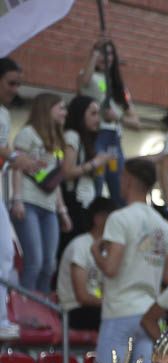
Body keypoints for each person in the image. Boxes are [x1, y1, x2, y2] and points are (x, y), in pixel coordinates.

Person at [93, 157, 168, 363]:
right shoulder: (163, 225)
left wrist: (95, 252)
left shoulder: (120, 218)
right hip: (149, 314)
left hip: (120, 311)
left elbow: (111, 268)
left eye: (121, 176)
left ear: (128, 180)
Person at [11, 93, 70, 292]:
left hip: (50, 206)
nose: (65, 112)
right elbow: (16, 167)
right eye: (61, 108)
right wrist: (17, 199)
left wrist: (62, 210)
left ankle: (42, 308)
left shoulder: (57, 140)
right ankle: (26, 309)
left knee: (49, 264)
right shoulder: (28, 133)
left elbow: (56, 179)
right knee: (34, 261)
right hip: (28, 201)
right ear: (47, 108)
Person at [0, 57, 39, 339]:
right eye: (10, 83)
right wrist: (15, 157)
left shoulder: (3, 112)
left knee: (5, 254)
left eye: (18, 84)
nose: (15, 89)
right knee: (4, 253)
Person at [77, 38, 140, 202]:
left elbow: (136, 122)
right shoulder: (88, 78)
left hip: (114, 141)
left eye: (110, 53)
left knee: (118, 187)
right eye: (102, 53)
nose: (106, 57)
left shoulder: (120, 87)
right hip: (96, 136)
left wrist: (117, 117)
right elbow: (83, 81)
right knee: (96, 184)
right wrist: (95, 50)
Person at [57, 197, 116, 331]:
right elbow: (82, 296)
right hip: (73, 311)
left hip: (95, 308)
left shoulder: (108, 249)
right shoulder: (80, 245)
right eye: (112, 219)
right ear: (98, 218)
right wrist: (112, 302)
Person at [61, 94, 106, 236]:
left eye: (98, 114)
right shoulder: (72, 136)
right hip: (74, 203)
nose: (98, 119)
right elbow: (67, 171)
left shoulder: (86, 139)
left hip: (84, 203)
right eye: (93, 114)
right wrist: (95, 163)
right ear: (80, 114)